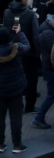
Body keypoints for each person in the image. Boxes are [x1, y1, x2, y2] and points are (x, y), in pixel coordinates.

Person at [0, 25, 29, 153]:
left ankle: (0, 144)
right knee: (16, 118)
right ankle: (17, 145)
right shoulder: (16, 48)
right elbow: (27, 46)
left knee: (0, 118)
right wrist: (20, 33)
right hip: (16, 89)